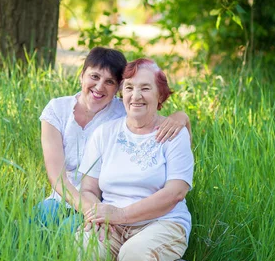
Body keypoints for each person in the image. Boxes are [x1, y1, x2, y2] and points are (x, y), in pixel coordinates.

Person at [77, 58, 194, 261]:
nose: (136, 95)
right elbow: (89, 188)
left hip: (163, 222)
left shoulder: (172, 134)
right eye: (129, 88)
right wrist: (96, 215)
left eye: (145, 88)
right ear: (122, 94)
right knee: (82, 246)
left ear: (160, 95)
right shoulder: (105, 134)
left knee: (135, 253)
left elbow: (175, 193)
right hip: (111, 222)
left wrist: (119, 214)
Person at [37, 47, 191, 229]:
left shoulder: (123, 111)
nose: (99, 86)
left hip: (104, 200)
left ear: (118, 88)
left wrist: (181, 116)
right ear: (81, 75)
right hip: (66, 196)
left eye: (109, 81)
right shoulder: (57, 110)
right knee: (40, 217)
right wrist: (90, 210)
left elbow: (157, 118)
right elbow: (57, 178)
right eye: (94, 77)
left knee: (70, 230)